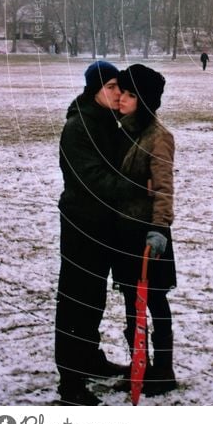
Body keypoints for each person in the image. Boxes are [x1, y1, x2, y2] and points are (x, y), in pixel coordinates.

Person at [55, 60, 128, 406]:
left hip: (102, 225)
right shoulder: (80, 126)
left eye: (119, 88)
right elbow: (91, 178)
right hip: (81, 225)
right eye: (111, 87)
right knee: (76, 299)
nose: (117, 94)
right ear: (94, 89)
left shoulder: (107, 122)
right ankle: (70, 380)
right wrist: (134, 187)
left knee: (94, 297)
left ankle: (88, 356)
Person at [113, 64, 177, 396]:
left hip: (149, 235)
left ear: (144, 100)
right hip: (123, 233)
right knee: (129, 301)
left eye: (128, 94)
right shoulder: (124, 130)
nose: (121, 98)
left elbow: (164, 188)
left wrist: (159, 230)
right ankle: (140, 365)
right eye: (121, 92)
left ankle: (163, 370)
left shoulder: (158, 136)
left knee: (154, 302)